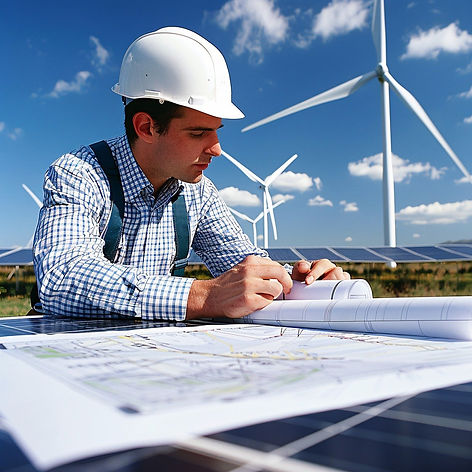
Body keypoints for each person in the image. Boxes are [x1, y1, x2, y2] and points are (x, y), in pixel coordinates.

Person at [33, 27, 349, 321]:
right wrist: (201, 296)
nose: (217, 149)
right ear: (145, 127)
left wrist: (299, 281)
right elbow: (61, 277)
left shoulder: (199, 192)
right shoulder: (78, 174)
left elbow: (243, 267)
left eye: (216, 132)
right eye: (198, 133)